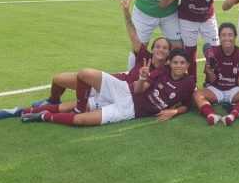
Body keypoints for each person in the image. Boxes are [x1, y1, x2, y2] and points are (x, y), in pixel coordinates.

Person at [0, 0, 170, 116]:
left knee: (68, 104)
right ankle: (52, 99)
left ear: (169, 53)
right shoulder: (144, 55)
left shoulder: (164, 71)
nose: (160, 50)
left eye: (165, 48)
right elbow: (133, 34)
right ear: (153, 48)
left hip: (120, 92)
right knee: (58, 79)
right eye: (158, 46)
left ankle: (20, 111)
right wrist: (126, 11)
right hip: (109, 81)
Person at [14, 49, 195, 126]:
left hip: (130, 110)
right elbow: (139, 89)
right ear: (170, 63)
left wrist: (174, 112)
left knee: (80, 120)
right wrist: (142, 78)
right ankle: (22, 110)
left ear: (187, 65)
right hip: (125, 91)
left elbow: (187, 104)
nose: (178, 65)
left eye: (182, 63)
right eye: (176, 62)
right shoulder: (161, 71)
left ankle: (43, 116)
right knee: (85, 74)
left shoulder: (189, 82)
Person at [194, 23, 239, 126]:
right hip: (217, 88)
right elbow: (211, 81)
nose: (227, 38)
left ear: (235, 37)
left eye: (230, 35)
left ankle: (232, 115)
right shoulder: (212, 52)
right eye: (224, 35)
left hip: (234, 89)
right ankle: (211, 115)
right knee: (197, 94)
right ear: (219, 37)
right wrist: (209, 72)